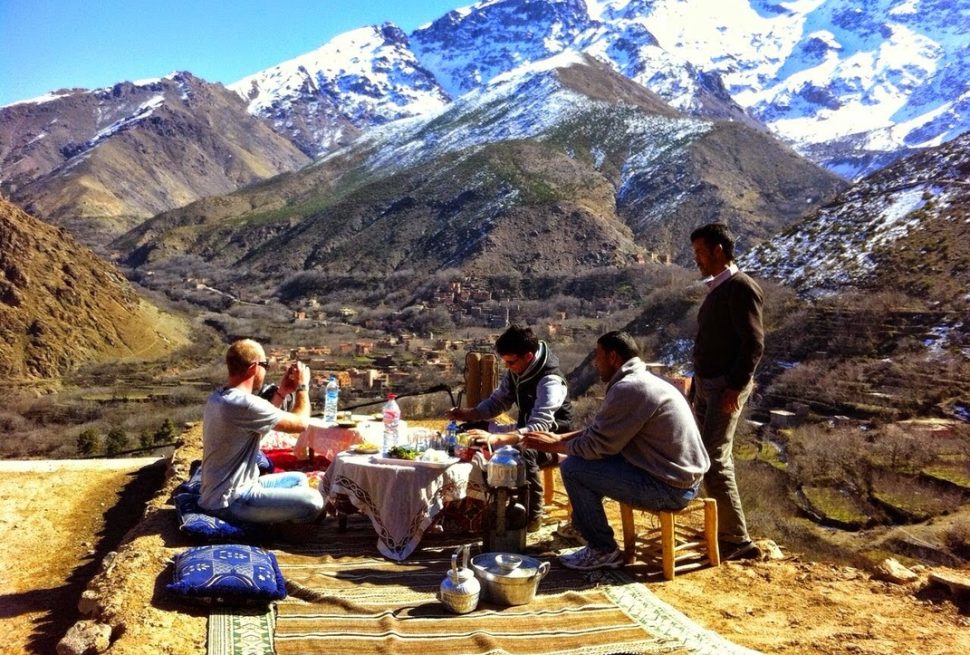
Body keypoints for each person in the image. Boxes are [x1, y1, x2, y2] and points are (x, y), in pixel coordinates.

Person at [523, 331, 710, 570]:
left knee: (573, 468)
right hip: (680, 479)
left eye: (598, 356)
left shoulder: (629, 389)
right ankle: (582, 527)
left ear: (613, 357)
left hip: (670, 487)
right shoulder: (642, 381)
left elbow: (595, 446)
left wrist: (552, 445)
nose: (595, 363)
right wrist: (559, 437)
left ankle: (603, 550)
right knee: (586, 464)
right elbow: (600, 431)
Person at [448, 324, 572, 532]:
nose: (507, 367)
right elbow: (497, 403)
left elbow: (539, 426)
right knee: (469, 431)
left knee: (527, 451)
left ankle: (532, 517)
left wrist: (499, 439)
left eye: (510, 362)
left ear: (529, 357)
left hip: (553, 437)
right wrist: (468, 414)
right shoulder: (517, 370)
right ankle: (475, 500)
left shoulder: (550, 381)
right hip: (523, 429)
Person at [690, 223, 765, 560]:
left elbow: (753, 342)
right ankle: (724, 533)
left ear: (718, 250)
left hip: (724, 387)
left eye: (700, 253)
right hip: (709, 385)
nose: (697, 260)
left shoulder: (740, 287)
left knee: (713, 458)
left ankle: (738, 540)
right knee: (708, 457)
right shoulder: (720, 288)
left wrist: (735, 385)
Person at [198, 339, 324, 525]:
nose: (266, 370)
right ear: (254, 367)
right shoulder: (245, 404)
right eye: (265, 365)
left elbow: (257, 429)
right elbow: (301, 423)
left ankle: (279, 518)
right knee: (315, 501)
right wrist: (302, 387)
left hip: (226, 491)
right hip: (232, 501)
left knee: (297, 479)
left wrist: (281, 392)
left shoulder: (220, 397)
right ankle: (277, 529)